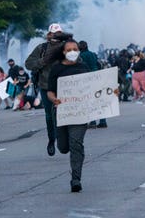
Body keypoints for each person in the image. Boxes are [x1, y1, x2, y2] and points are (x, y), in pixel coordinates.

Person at [46, 40, 92, 192]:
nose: (73, 51)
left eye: (75, 49)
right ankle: (68, 149)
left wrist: (110, 93)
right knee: (64, 147)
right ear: (64, 52)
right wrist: (54, 99)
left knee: (76, 144)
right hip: (62, 113)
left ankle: (76, 179)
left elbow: (94, 87)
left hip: (80, 113)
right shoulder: (57, 69)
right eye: (69, 49)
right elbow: (50, 91)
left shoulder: (84, 67)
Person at [25, 23, 73, 157]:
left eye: (59, 33)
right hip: (46, 87)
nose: (56, 36)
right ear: (49, 34)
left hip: (65, 87)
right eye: (54, 33)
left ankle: (63, 139)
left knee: (65, 114)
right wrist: (43, 61)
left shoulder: (68, 48)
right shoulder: (42, 48)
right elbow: (28, 63)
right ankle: (51, 140)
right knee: (49, 115)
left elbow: (79, 61)